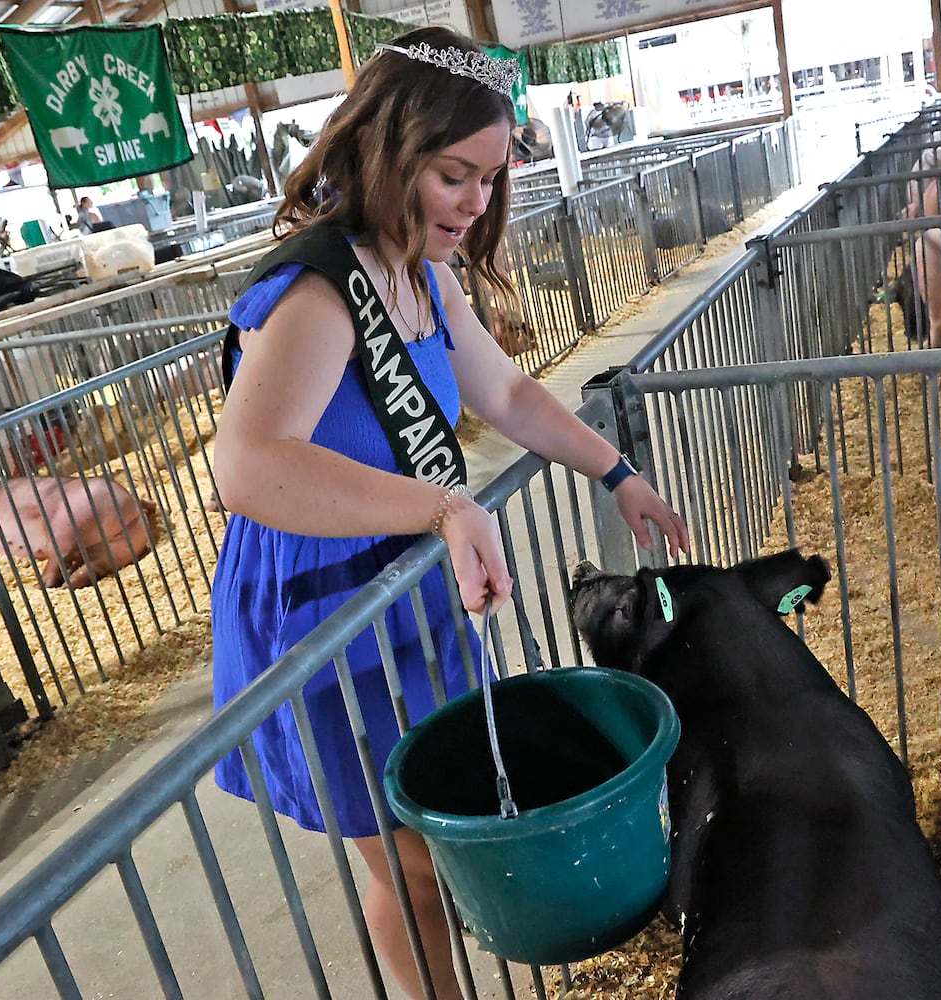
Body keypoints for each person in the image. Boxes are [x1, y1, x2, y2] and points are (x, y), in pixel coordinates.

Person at [209, 25, 689, 1000]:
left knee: (444, 823)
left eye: (489, 178)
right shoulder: (317, 291)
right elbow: (249, 464)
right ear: (389, 154)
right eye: (452, 175)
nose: (476, 203)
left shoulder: (422, 276)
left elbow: (506, 395)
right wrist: (439, 505)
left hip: (405, 571)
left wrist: (616, 472)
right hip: (323, 605)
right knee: (409, 853)